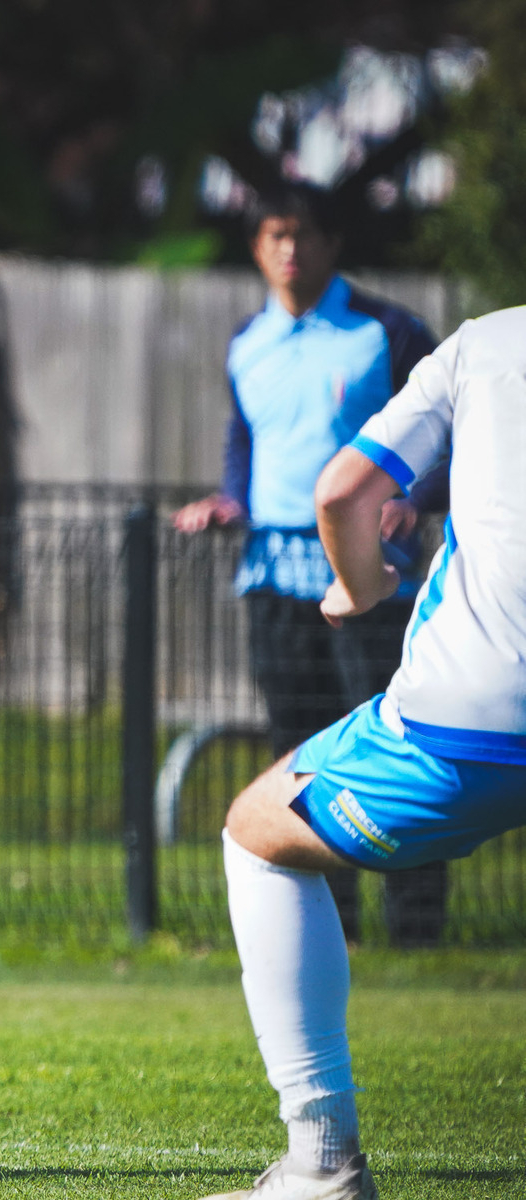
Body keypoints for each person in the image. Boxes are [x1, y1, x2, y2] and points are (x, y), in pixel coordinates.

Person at [199, 304, 526, 1199]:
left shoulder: (484, 344)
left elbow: (341, 490)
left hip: (476, 712)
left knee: (256, 831)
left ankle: (320, 1161)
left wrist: (357, 585)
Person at [172, 183, 448, 945]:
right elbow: (245, 444)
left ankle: (417, 932)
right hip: (275, 579)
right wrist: (231, 501)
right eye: (272, 235)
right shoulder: (246, 343)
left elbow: (447, 436)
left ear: (330, 244)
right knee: (298, 756)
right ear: (256, 248)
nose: (287, 249)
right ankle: (335, 932)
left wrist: (414, 498)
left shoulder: (386, 332)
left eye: (302, 234)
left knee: (397, 751)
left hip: (371, 581)